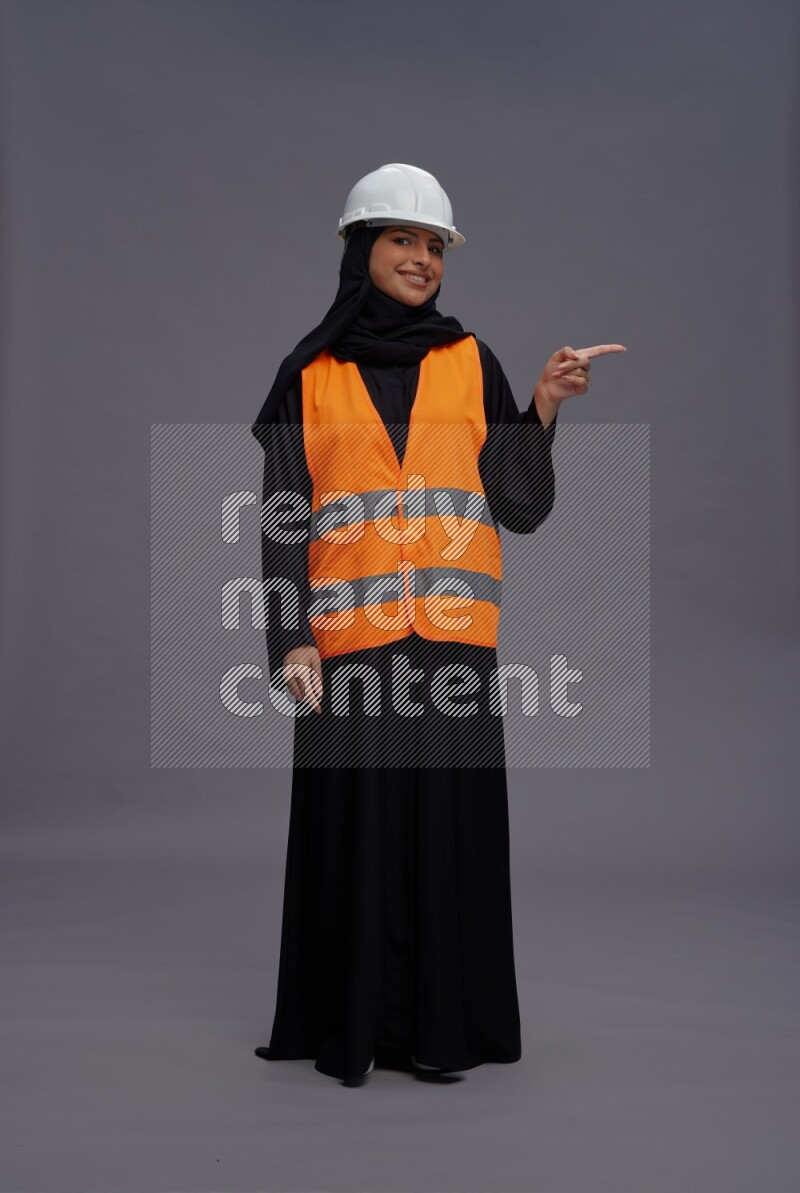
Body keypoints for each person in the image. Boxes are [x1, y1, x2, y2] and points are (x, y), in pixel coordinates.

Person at [250, 163, 625, 1084]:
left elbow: (519, 504)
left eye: (434, 246)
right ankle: (353, 1027)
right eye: (402, 240)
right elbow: (285, 518)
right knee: (356, 833)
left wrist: (544, 406)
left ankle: (441, 1032)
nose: (422, 259)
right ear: (361, 250)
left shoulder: (471, 361)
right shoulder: (309, 376)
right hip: (346, 649)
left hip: (452, 644)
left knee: (449, 833)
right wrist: (289, 637)